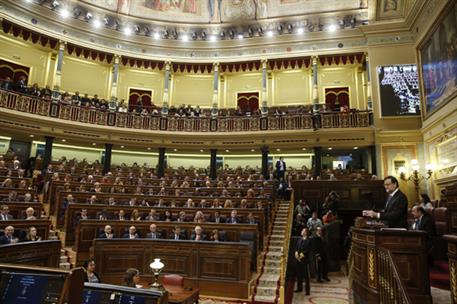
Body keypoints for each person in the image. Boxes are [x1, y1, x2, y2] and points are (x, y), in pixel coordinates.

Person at [294, 227, 312, 295]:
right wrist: (296, 253)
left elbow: (308, 250)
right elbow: (296, 247)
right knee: (299, 275)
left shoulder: (309, 240)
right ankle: (299, 288)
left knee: (306, 276)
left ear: (306, 232)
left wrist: (301, 256)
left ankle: (307, 291)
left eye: (303, 231)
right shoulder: (300, 239)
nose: (301, 231)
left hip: (304, 260)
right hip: (298, 260)